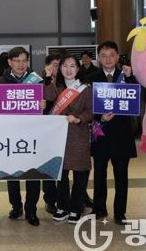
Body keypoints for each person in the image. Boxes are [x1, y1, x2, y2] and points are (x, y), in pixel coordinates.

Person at [0, 47, 44, 226]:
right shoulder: (2, 80)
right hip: (10, 134)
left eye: (24, 61)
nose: (21, 64)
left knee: (33, 173)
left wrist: (44, 104)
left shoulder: (36, 80)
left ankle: (31, 210)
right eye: (17, 61)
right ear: (9, 62)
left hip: (32, 134)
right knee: (11, 173)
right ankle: (16, 206)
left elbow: (46, 105)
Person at [89, 41, 137, 225]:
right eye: (104, 55)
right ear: (99, 58)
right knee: (99, 174)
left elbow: (136, 99)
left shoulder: (127, 76)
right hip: (101, 133)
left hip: (122, 134)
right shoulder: (91, 78)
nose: (108, 59)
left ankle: (120, 213)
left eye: (111, 55)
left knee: (121, 176)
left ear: (117, 57)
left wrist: (130, 77)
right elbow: (87, 105)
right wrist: (100, 117)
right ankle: (99, 209)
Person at [44, 53, 93, 224]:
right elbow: (48, 97)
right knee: (61, 175)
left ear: (78, 69)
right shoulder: (56, 87)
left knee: (80, 174)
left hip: (78, 136)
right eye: (64, 66)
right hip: (59, 138)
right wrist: (48, 78)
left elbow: (90, 112)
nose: (68, 69)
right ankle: (62, 207)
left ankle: (76, 208)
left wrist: (78, 118)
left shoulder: (85, 88)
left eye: (72, 66)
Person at [40, 53, 61, 215]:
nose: (57, 68)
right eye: (54, 64)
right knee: (48, 164)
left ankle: (64, 198)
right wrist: (47, 79)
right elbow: (50, 96)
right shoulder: (38, 80)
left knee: (63, 166)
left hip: (62, 128)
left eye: (60, 64)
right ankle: (50, 199)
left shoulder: (66, 81)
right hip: (46, 129)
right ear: (47, 65)